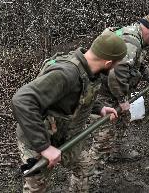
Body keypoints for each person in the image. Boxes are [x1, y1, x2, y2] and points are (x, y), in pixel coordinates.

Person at [12, 31, 127, 193]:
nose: (116, 66)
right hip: (37, 139)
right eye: (117, 63)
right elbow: (21, 100)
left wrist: (99, 107)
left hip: (66, 135)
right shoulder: (67, 73)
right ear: (108, 62)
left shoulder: (89, 68)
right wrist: (44, 147)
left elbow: (78, 94)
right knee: (37, 189)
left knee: (85, 166)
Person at [89, 12, 149, 166]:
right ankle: (89, 173)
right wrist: (122, 100)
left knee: (124, 118)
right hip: (103, 90)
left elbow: (136, 63)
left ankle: (116, 151)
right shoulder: (132, 42)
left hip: (110, 88)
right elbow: (115, 75)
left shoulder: (132, 33)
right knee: (104, 134)